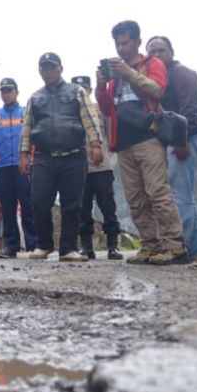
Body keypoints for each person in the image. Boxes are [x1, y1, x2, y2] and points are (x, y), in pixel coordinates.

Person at [95, 20, 187, 265]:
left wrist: (129, 73)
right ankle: (150, 245)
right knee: (135, 197)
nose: (121, 48)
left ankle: (174, 245)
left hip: (148, 137)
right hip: (122, 142)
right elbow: (105, 108)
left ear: (136, 42)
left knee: (157, 191)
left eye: (125, 42)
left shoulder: (151, 64)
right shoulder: (115, 74)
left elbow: (158, 90)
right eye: (117, 43)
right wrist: (101, 86)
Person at [19, 53, 104, 262]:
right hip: (43, 157)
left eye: (52, 67)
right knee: (39, 202)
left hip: (74, 155)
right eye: (44, 68)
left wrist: (95, 144)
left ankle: (68, 248)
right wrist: (23, 154)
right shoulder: (35, 98)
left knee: (72, 204)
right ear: (40, 71)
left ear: (60, 69)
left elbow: (89, 118)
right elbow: (27, 127)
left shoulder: (77, 92)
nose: (48, 72)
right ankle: (44, 244)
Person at [146, 36, 197, 262]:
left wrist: (182, 140)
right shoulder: (158, 77)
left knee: (180, 198)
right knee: (182, 196)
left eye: (161, 50)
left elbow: (190, 109)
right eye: (152, 52)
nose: (157, 55)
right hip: (170, 140)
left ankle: (185, 248)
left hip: (186, 139)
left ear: (171, 51)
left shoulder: (183, 74)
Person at [72, 75, 123, 260]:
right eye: (77, 89)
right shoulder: (69, 114)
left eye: (84, 88)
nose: (81, 93)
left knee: (108, 207)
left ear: (90, 90)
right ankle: (86, 247)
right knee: (82, 210)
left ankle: (112, 246)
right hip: (78, 169)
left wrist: (109, 158)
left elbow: (110, 136)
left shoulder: (101, 111)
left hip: (101, 168)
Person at [0, 77, 37, 258]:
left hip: (25, 166)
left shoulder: (26, 113)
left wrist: (32, 161)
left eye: (9, 91)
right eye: (3, 91)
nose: (6, 94)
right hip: (2, 168)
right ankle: (11, 246)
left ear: (17, 92)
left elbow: (34, 140)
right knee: (7, 208)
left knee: (28, 206)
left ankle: (34, 245)